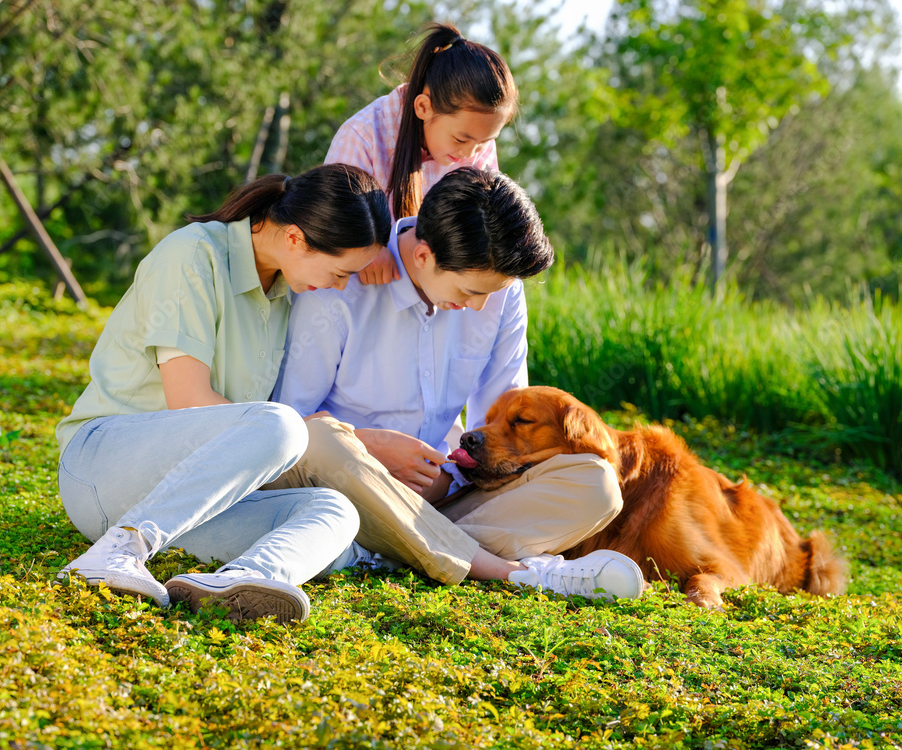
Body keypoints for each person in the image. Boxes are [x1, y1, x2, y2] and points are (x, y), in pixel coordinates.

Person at [270, 167, 644, 601]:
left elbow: (505, 418)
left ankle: (388, 553)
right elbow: (292, 424)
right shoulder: (340, 282)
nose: (479, 306)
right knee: (325, 445)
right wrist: (372, 447)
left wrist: (461, 471)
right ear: (424, 256)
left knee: (595, 485)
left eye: (492, 293)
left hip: (452, 501)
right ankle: (504, 569)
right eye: (469, 291)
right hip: (356, 487)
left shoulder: (499, 292)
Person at [55, 164, 391, 624]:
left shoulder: (280, 294)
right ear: (295, 238)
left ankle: (242, 578)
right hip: (100, 469)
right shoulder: (192, 255)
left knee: (333, 509)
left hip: (184, 495)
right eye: (339, 272)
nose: (340, 287)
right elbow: (189, 400)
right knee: (283, 425)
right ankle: (121, 547)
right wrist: (297, 436)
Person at [326, 22, 516, 285]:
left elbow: (482, 225)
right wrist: (366, 250)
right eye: (461, 139)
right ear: (423, 107)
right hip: (365, 292)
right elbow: (329, 220)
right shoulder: (363, 136)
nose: (469, 154)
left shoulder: (476, 144)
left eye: (484, 142)